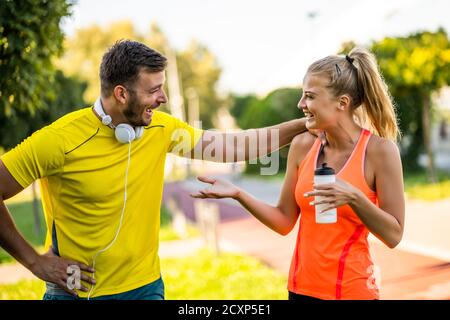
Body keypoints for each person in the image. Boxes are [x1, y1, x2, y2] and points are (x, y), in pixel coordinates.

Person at [0, 40, 309, 300]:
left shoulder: (161, 127)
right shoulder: (58, 140)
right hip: (74, 291)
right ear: (121, 94)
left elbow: (235, 146)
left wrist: (304, 124)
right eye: (154, 90)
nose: (162, 98)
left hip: (146, 288)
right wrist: (34, 263)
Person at [192, 47, 405, 300]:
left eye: (310, 96)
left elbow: (394, 235)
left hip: (351, 291)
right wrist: (238, 194)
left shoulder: (379, 151)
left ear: (342, 103)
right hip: (300, 290)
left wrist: (355, 198)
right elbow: (284, 220)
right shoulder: (303, 146)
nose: (301, 104)